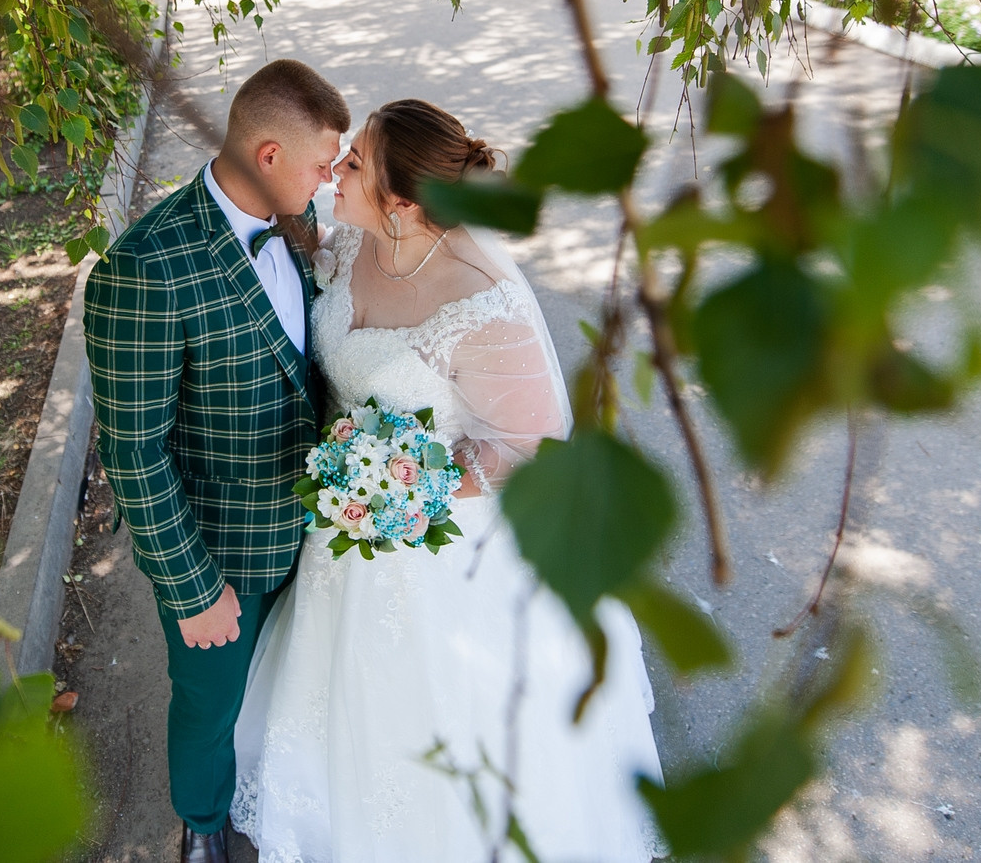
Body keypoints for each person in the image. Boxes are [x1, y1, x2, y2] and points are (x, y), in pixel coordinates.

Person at [232, 99, 666, 863]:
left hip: (442, 545)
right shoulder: (354, 244)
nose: (337, 168)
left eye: (355, 161)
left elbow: (529, 445)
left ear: (402, 201)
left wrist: (405, 492)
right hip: (349, 537)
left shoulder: (481, 298)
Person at [83, 58, 349, 863]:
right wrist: (196, 590)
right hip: (220, 554)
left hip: (312, 527)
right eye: (321, 163)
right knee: (210, 702)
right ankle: (202, 828)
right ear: (269, 156)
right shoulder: (146, 268)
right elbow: (133, 450)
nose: (331, 179)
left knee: (289, 688)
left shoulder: (292, 220)